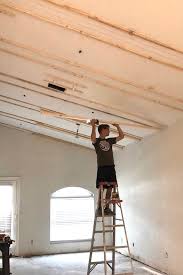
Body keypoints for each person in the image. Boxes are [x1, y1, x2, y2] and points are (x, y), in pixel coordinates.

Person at [91, 119, 124, 215]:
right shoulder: (97, 141)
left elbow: (121, 136)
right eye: (108, 130)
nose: (109, 131)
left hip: (111, 167)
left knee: (111, 187)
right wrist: (93, 125)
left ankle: (107, 208)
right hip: (102, 167)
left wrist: (117, 126)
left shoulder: (109, 140)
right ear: (103, 130)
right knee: (102, 188)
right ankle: (99, 207)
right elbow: (92, 138)